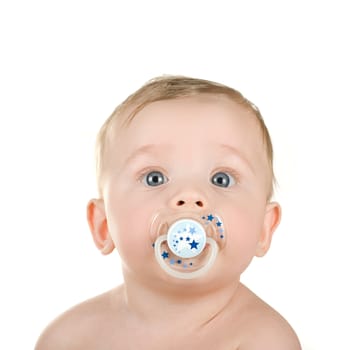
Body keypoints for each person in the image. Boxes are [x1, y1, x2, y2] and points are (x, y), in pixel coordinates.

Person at [35, 76, 301, 349]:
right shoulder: (70, 339)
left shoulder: (263, 340)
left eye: (222, 179)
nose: (189, 196)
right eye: (154, 178)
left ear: (263, 229)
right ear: (103, 226)